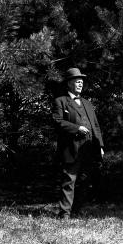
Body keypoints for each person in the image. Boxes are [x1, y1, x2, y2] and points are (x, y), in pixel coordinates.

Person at [52, 67, 104, 220]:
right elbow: (57, 121)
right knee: (69, 181)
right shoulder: (60, 101)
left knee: (84, 181)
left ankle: (77, 211)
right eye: (77, 81)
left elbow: (96, 126)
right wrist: (76, 128)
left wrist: (100, 146)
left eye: (81, 81)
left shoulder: (88, 104)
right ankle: (64, 215)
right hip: (71, 148)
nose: (80, 83)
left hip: (88, 148)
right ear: (69, 83)